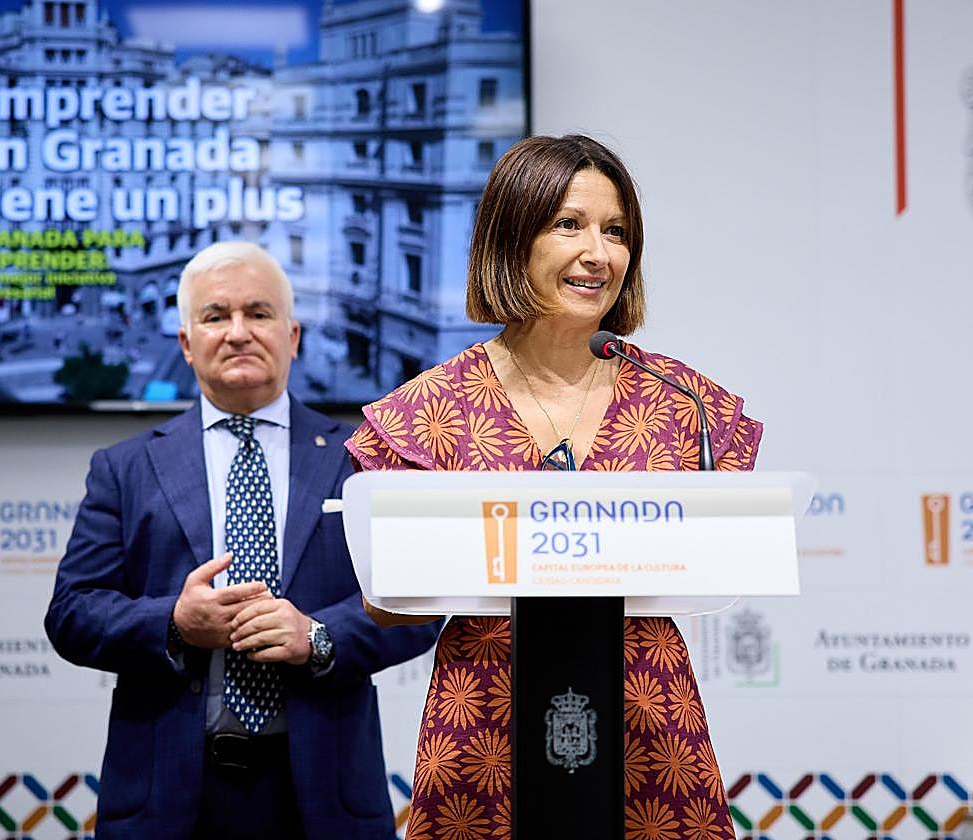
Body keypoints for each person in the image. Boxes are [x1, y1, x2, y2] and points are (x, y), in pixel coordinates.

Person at [345, 135, 763, 839]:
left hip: (648, 732)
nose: (598, 253)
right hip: (486, 733)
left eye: (616, 231)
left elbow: (721, 559)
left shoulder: (683, 402)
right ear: (511, 238)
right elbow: (387, 607)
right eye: (569, 224)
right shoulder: (427, 411)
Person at [46, 241, 440, 840]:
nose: (237, 332)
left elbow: (416, 608)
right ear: (185, 343)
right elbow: (72, 613)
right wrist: (174, 623)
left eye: (258, 313)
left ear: (293, 335)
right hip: (167, 800)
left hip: (325, 800)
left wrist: (317, 637)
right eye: (214, 316)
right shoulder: (123, 469)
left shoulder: (365, 459)